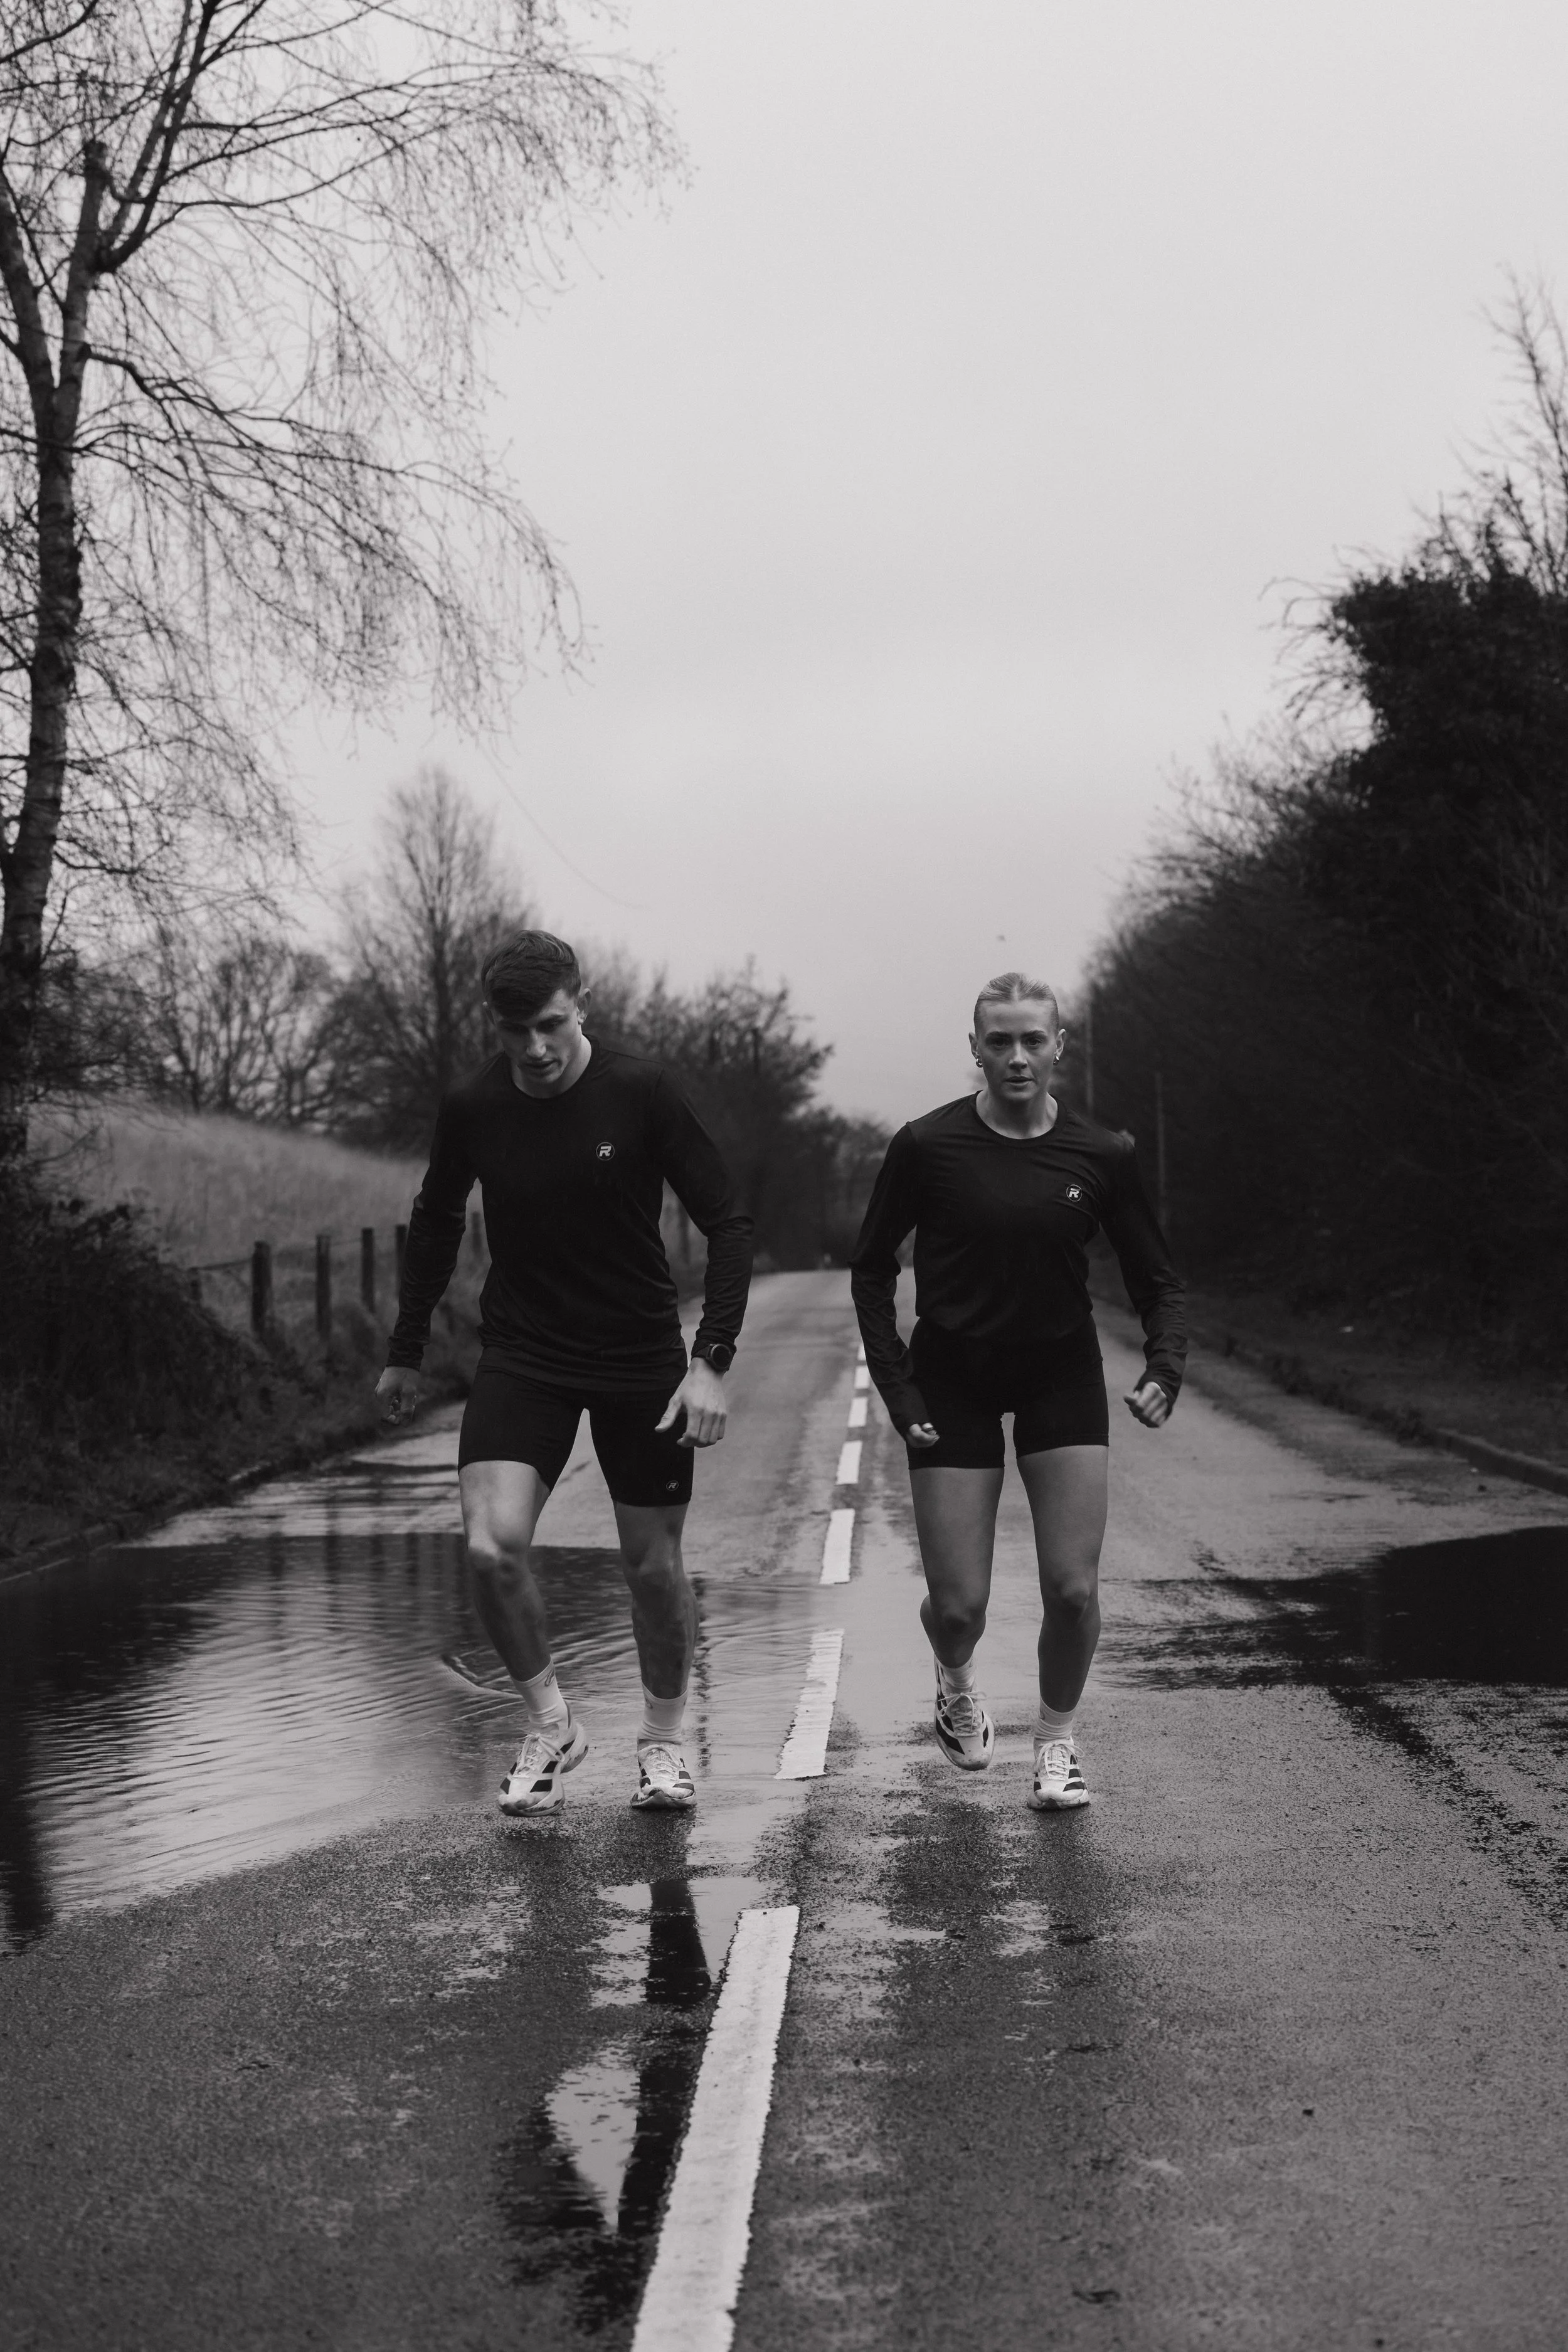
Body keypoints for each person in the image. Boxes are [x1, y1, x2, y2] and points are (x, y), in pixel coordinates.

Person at [376, 931, 753, 1818]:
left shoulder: (642, 1089)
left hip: (637, 1355)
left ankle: (663, 1744)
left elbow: (729, 1223)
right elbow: (434, 1220)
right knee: (488, 1546)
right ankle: (551, 1722)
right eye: (517, 1032)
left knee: (653, 1566)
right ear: (493, 1025)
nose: (536, 1049)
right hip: (526, 1351)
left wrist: (711, 1362)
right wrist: (405, 1345)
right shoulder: (473, 1103)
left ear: (581, 1004)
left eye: (551, 1025)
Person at [849, 972, 1184, 1809]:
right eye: (999, 1040)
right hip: (951, 1378)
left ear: (1058, 1044)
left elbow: (1158, 1279)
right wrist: (899, 1388)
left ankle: (1058, 1743)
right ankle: (956, 1678)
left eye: (1033, 1038)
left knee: (1073, 1588)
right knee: (959, 1607)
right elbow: (868, 1270)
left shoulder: (1102, 1153)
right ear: (975, 1049)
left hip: (1058, 1372)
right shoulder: (927, 1146)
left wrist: (1162, 1365)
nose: (1017, 1055)